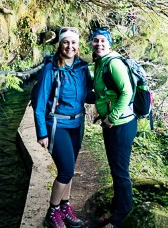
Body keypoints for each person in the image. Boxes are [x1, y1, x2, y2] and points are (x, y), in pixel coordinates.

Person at [32, 27, 93, 228]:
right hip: (57, 124)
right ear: (60, 44)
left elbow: (89, 94)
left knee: (70, 169)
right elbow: (40, 103)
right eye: (66, 42)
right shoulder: (51, 67)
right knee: (66, 171)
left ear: (78, 45)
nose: (70, 46)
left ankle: (65, 207)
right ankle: (53, 211)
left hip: (77, 123)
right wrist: (42, 132)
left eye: (73, 43)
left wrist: (112, 95)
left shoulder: (82, 68)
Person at [90, 27, 138, 228]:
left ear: (109, 44)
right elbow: (104, 94)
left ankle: (122, 217)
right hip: (112, 124)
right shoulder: (100, 63)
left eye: (103, 40)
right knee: (116, 169)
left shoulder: (114, 63)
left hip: (121, 124)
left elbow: (127, 92)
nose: (99, 44)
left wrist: (111, 117)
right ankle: (118, 208)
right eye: (95, 40)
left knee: (120, 172)